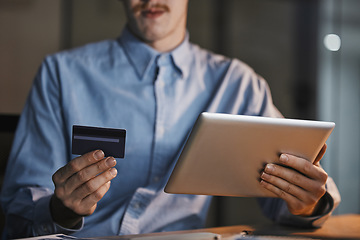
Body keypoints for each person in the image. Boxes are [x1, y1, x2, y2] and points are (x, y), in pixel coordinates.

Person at [0, 0, 340, 238]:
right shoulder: (61, 74)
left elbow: (301, 201)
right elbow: (17, 213)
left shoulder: (236, 83)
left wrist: (309, 202)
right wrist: (62, 210)